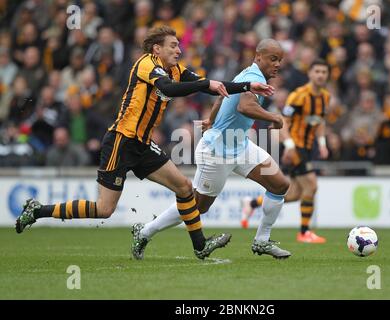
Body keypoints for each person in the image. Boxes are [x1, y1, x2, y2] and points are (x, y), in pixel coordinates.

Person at [15, 26, 274, 260]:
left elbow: (210, 86)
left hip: (142, 143)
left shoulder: (174, 69)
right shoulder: (146, 64)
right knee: (105, 209)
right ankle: (39, 210)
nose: (179, 49)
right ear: (156, 48)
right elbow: (170, 88)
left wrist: (248, 85)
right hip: (121, 140)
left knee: (184, 187)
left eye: (179, 45)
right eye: (173, 45)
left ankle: (200, 245)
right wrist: (207, 83)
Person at [131, 39, 292, 260]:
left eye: (280, 60)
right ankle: (146, 231)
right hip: (216, 152)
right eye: (273, 59)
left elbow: (221, 96)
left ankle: (262, 241)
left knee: (280, 184)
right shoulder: (253, 77)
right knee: (197, 207)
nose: (277, 64)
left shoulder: (249, 75)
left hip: (240, 146)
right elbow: (245, 106)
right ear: (258, 57)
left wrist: (211, 119)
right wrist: (274, 117)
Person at [241, 59, 330, 244]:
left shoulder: (325, 97)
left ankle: (252, 203)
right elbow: (283, 122)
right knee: (311, 186)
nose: (320, 75)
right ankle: (305, 232)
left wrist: (322, 143)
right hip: (295, 146)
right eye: (317, 71)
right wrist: (289, 146)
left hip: (307, 147)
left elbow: (319, 121)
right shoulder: (298, 96)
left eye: (324, 72)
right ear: (310, 74)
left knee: (295, 194)